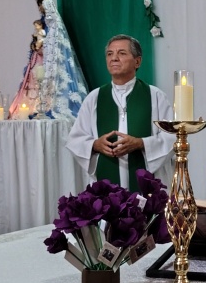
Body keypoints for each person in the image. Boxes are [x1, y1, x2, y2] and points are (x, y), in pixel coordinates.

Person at [65, 35, 174, 192]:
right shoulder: (95, 98)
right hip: (106, 180)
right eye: (110, 54)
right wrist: (95, 144)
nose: (114, 58)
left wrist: (141, 143)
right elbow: (75, 139)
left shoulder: (155, 96)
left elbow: (171, 138)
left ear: (138, 61)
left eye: (122, 53)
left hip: (147, 184)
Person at [9, 0, 90, 119]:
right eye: (40, 7)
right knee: (35, 80)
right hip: (41, 61)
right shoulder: (42, 25)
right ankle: (35, 105)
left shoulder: (55, 29)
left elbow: (56, 48)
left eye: (43, 7)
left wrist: (43, 45)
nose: (41, 10)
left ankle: (48, 105)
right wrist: (36, 46)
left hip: (52, 63)